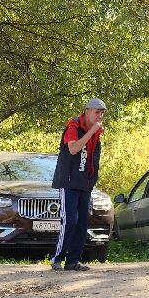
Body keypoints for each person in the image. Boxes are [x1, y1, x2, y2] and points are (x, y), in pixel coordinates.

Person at [50, 97, 105, 272]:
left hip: (85, 183)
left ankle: (73, 261)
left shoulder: (96, 131)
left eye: (102, 113)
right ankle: (57, 259)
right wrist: (91, 133)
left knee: (82, 221)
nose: (99, 116)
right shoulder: (73, 126)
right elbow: (73, 149)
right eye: (97, 112)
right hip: (68, 182)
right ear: (87, 111)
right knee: (70, 220)